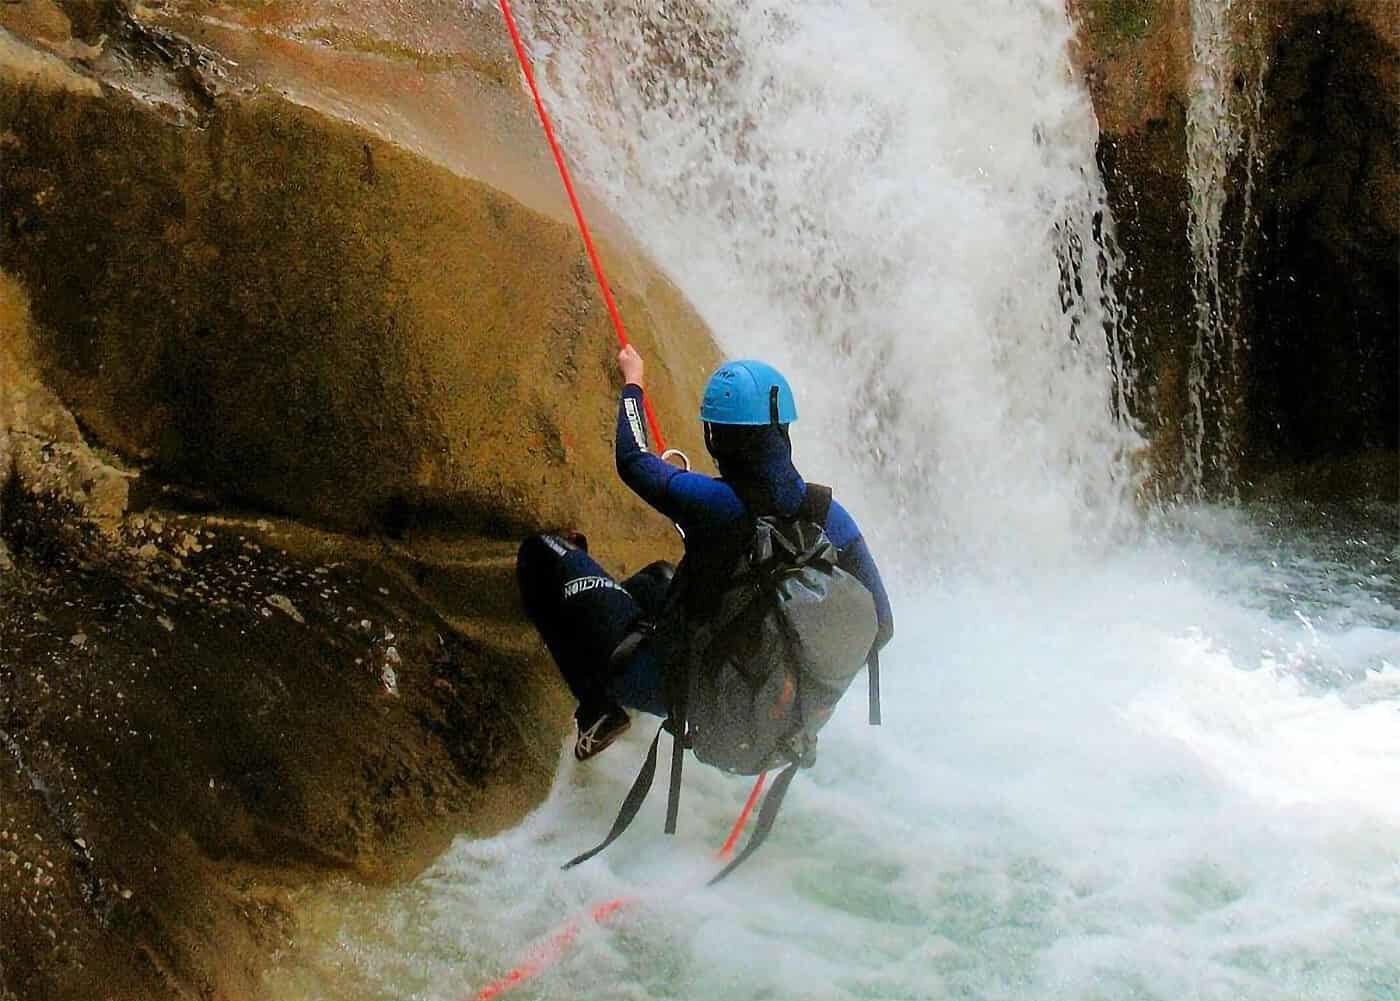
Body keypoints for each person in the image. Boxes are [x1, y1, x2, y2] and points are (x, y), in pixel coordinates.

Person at [517, 345, 894, 761]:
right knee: (656, 579)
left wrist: (633, 380)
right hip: (763, 714)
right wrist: (796, 694)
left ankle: (597, 708)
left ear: (714, 436)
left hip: (667, 685)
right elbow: (882, 626)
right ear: (783, 429)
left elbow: (633, 460)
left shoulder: (716, 503)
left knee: (541, 552)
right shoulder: (828, 514)